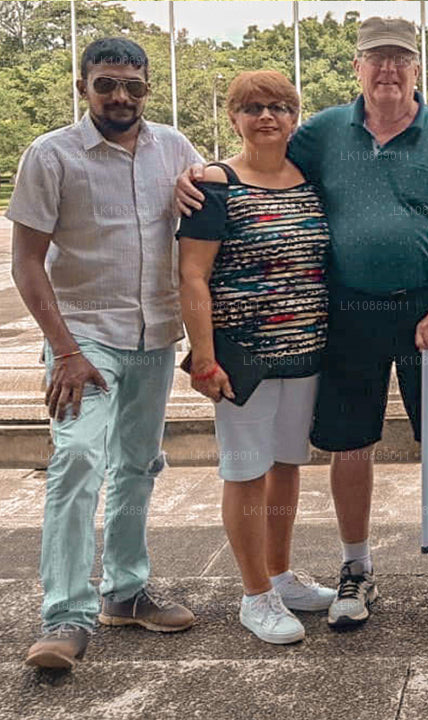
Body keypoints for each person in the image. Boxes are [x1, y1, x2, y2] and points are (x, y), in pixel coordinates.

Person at [177, 17, 428, 627]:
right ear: (357, 67)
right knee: (350, 444)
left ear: (417, 68)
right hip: (347, 309)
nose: (388, 70)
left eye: (400, 59)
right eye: (376, 58)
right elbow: (259, 158)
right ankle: (356, 566)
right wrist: (200, 176)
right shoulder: (323, 131)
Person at [9, 38, 204, 670]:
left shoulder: (175, 148)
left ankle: (126, 591)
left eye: (133, 85)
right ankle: (65, 615)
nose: (120, 96)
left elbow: (206, 229)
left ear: (147, 88)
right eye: (106, 84)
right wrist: (64, 350)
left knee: (138, 464)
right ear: (82, 87)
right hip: (84, 338)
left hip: (154, 334)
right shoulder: (51, 155)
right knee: (76, 460)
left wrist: (203, 340)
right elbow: (26, 262)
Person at [177, 70, 335, 645]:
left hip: (305, 350)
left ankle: (280, 575)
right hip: (243, 356)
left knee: (287, 465)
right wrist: (203, 356)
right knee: (245, 470)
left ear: (295, 117)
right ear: (234, 118)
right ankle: (254, 594)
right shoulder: (214, 185)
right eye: (252, 107)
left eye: (279, 107)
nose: (266, 116)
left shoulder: (311, 181)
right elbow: (192, 275)